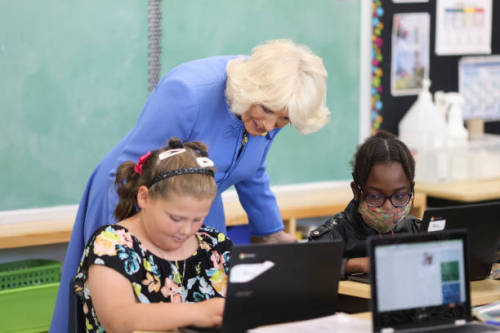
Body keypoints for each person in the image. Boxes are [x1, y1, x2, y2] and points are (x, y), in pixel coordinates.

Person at [51, 39, 330, 332]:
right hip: (132, 194)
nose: (270, 126)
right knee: (135, 298)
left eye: (284, 120)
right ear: (253, 91)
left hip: (199, 202)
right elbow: (135, 170)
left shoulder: (272, 106)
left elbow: (253, 167)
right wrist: (126, 245)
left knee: (203, 303)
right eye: (269, 111)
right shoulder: (187, 92)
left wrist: (271, 233)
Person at [73, 138, 232, 332]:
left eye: (197, 219)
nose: (187, 230)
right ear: (144, 198)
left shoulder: (214, 244)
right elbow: (118, 320)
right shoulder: (112, 244)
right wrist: (198, 312)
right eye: (176, 218)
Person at [308, 131, 421, 276]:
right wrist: (351, 265)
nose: (388, 207)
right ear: (356, 191)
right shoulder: (332, 238)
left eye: (399, 196)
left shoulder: (416, 231)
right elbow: (306, 268)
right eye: (375, 196)